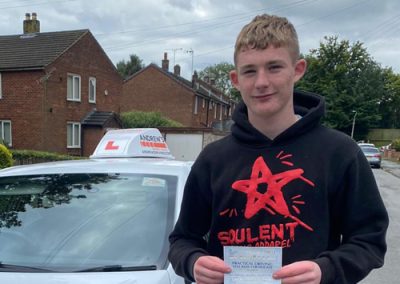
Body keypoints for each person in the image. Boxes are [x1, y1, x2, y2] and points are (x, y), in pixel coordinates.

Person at [168, 14, 388, 284]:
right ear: (235, 79)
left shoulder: (340, 153)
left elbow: (369, 242)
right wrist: (192, 262)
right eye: (250, 71)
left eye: (274, 67)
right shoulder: (213, 159)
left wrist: (326, 270)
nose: (261, 82)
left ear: (298, 69)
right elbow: (181, 240)